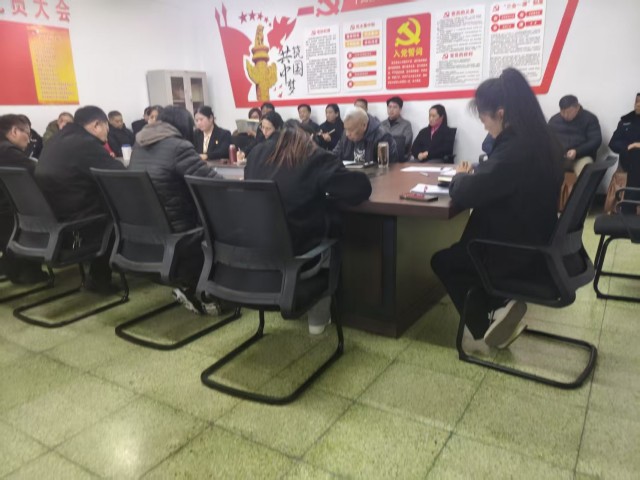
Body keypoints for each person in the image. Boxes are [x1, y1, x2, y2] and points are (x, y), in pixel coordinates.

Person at [431, 68, 564, 348]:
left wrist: (459, 177)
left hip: (515, 252)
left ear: (500, 114)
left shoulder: (516, 148)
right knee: (462, 250)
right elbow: (500, 178)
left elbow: (468, 192)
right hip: (539, 241)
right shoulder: (541, 139)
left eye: (484, 120)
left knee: (445, 261)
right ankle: (499, 307)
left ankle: (489, 324)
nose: (484, 127)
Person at [244, 119, 372, 334]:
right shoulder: (314, 157)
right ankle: (318, 319)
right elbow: (360, 188)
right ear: (310, 138)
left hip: (257, 252)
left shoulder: (256, 154)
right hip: (300, 255)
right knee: (331, 235)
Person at [130, 106, 222, 314]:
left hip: (145, 229)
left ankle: (189, 284)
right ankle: (208, 290)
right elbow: (214, 184)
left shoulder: (139, 144)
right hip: (176, 230)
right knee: (221, 219)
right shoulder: (178, 146)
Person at [36, 106, 126, 293]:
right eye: (107, 128)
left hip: (51, 219)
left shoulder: (56, 140)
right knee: (119, 213)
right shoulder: (85, 144)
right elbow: (119, 176)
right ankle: (100, 280)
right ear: (96, 125)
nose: (107, 134)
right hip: (76, 225)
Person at [0, 114, 47, 284]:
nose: (29, 139)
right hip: (8, 217)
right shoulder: (8, 152)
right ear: (14, 131)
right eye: (28, 133)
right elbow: (40, 174)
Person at [548, 95, 602, 176]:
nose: (565, 115)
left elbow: (596, 141)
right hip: (559, 157)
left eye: (569, 112)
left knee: (585, 171)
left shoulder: (590, 119)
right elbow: (547, 139)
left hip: (581, 156)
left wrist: (577, 151)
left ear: (577, 107)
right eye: (562, 112)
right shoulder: (554, 120)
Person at [332, 107, 399, 164]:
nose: (347, 134)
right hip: (350, 174)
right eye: (346, 129)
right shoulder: (345, 135)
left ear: (364, 125)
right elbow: (333, 156)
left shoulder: (382, 137)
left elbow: (390, 167)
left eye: (351, 130)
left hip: (374, 175)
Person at [609, 92, 640, 213]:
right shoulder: (626, 121)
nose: (638, 105)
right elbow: (613, 143)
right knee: (636, 155)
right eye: (636, 102)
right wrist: (628, 147)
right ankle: (630, 205)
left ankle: (628, 206)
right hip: (628, 160)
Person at [380, 96, 413, 161]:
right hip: (383, 157)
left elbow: (406, 142)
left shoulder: (406, 124)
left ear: (400, 109)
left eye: (395, 107)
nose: (391, 110)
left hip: (399, 157)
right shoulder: (382, 124)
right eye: (389, 107)